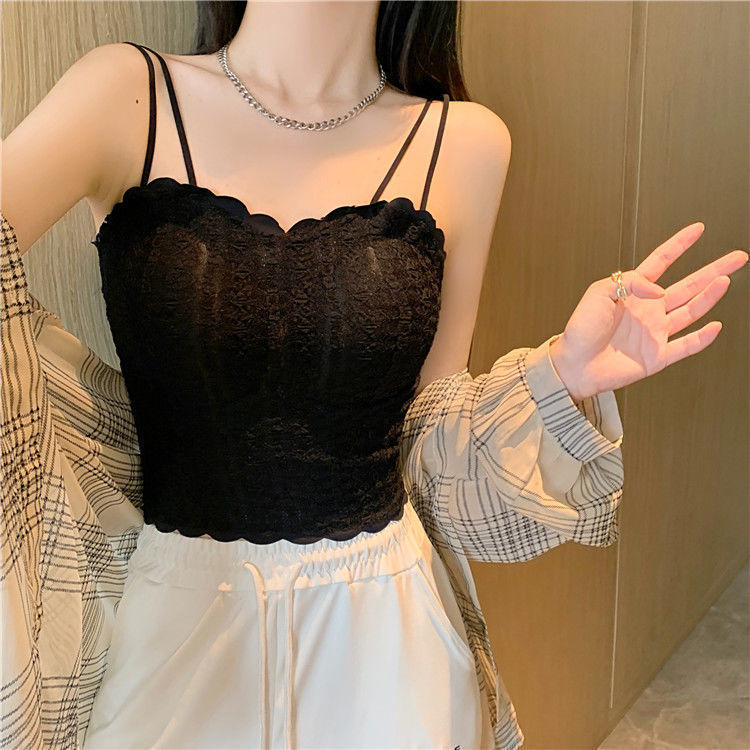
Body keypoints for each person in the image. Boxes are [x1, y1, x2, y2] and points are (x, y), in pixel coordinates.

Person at [1, 3, 746, 749]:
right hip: (174, 628)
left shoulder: (466, 142)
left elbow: (431, 436)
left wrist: (559, 378)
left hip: (387, 639)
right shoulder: (126, 96)